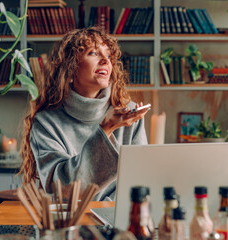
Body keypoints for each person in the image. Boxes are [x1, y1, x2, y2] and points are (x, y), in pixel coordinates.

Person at [19, 27, 149, 200]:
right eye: (94, 53)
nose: (105, 61)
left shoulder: (129, 114)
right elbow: (61, 188)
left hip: (119, 217)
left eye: (108, 55)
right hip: (70, 221)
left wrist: (108, 212)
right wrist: (106, 129)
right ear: (70, 69)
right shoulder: (46, 123)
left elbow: (141, 180)